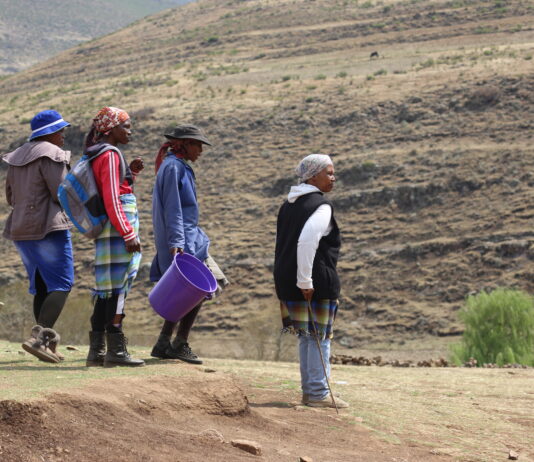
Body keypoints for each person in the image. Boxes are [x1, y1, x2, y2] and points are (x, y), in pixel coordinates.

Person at [273, 154, 349, 408]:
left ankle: (311, 391)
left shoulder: (288, 204)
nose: (333, 178)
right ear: (313, 175)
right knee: (320, 336)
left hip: (286, 278)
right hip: (313, 281)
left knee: (307, 335)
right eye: (328, 173)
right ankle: (317, 393)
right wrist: (305, 281)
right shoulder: (320, 206)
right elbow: (306, 242)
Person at [150, 124, 228, 364]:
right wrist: (177, 242)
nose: (201, 151)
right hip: (185, 240)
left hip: (189, 237)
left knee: (194, 289)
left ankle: (166, 342)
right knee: (200, 288)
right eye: (197, 145)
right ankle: (178, 342)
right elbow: (173, 208)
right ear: (184, 144)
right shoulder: (174, 168)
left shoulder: (176, 166)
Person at [3, 109, 73, 363]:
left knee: (42, 285)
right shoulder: (52, 154)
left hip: (20, 229)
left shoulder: (17, 156)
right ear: (50, 132)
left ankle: (46, 342)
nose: (64, 135)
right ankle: (38, 340)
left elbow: (10, 196)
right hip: (48, 228)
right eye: (61, 130)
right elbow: (61, 193)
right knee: (63, 283)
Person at [84, 106, 145, 367]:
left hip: (111, 229)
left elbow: (114, 189)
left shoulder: (100, 153)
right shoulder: (109, 155)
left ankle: (97, 352)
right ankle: (116, 351)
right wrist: (128, 232)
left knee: (106, 290)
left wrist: (130, 173)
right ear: (112, 129)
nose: (130, 131)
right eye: (126, 126)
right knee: (119, 288)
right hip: (118, 228)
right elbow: (111, 198)